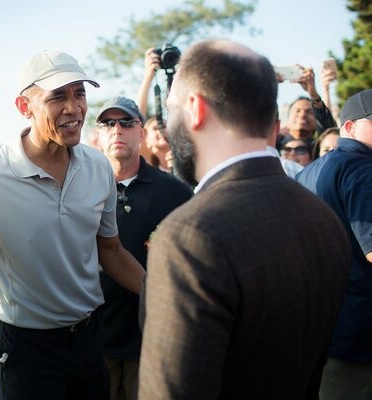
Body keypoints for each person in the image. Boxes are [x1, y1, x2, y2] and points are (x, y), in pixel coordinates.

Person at [139, 39, 351, 400]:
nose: (166, 122)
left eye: (170, 108)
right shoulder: (323, 216)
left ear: (194, 108)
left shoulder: (189, 236)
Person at [0, 50, 145, 400]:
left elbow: (111, 250)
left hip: (91, 339)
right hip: (25, 347)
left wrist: (159, 292)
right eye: (57, 96)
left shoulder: (98, 167)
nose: (74, 108)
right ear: (23, 106)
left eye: (80, 93)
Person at [95, 96, 192, 400]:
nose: (117, 130)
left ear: (142, 131)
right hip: (96, 335)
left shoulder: (175, 192)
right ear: (98, 135)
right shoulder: (82, 190)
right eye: (108, 123)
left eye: (126, 122)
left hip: (154, 335)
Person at [296, 88, 372, 400]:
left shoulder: (308, 172)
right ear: (351, 127)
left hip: (320, 328)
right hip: (360, 333)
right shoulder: (363, 168)